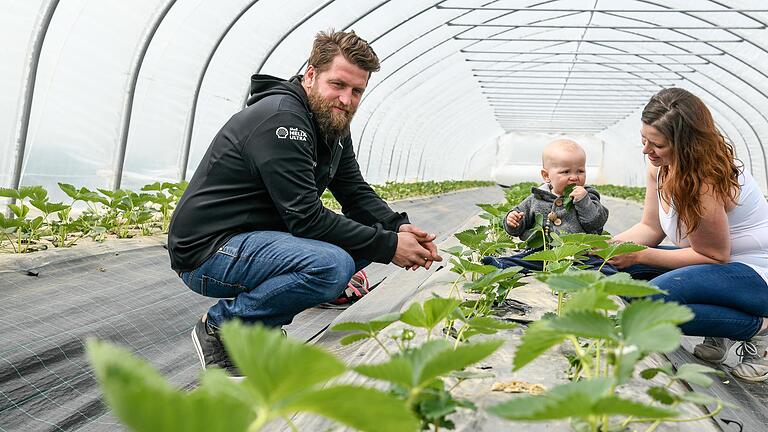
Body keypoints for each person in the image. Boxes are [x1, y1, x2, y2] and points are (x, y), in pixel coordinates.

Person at [167, 30, 442, 377]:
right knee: (332, 265)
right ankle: (222, 327)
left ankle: (261, 325)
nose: (346, 99)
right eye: (338, 85)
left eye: (357, 91)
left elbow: (353, 190)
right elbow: (306, 219)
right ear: (310, 75)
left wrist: (397, 227)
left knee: (362, 245)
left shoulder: (331, 123)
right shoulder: (282, 121)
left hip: (257, 241)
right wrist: (389, 246)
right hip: (210, 251)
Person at [609, 88, 768, 382]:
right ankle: (719, 329)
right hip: (716, 267)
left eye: (656, 144)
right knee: (610, 276)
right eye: (644, 140)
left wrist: (640, 256)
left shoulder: (705, 178)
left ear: (686, 145)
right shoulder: (661, 167)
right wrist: (609, 248)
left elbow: (714, 255)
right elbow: (651, 228)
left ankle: (757, 329)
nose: (646, 150)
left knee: (647, 305)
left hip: (755, 274)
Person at [483, 139, 613, 274]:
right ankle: (500, 265)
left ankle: (623, 288)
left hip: (580, 255)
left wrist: (583, 201)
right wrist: (513, 222)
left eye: (580, 171)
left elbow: (597, 222)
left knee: (602, 268)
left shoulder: (589, 196)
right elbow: (520, 221)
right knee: (521, 260)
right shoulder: (537, 198)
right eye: (566, 172)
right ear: (546, 176)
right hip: (542, 254)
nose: (574, 177)